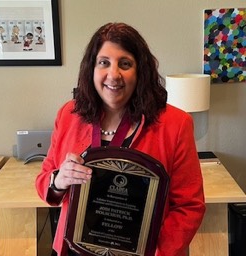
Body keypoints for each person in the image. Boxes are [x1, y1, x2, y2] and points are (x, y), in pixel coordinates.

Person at [35, 22, 205, 256]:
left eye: (125, 64)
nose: (113, 75)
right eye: (104, 62)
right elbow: (45, 179)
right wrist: (58, 180)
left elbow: (189, 206)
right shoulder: (69, 115)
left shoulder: (176, 124)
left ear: (140, 71)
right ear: (91, 69)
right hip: (73, 250)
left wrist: (157, 250)